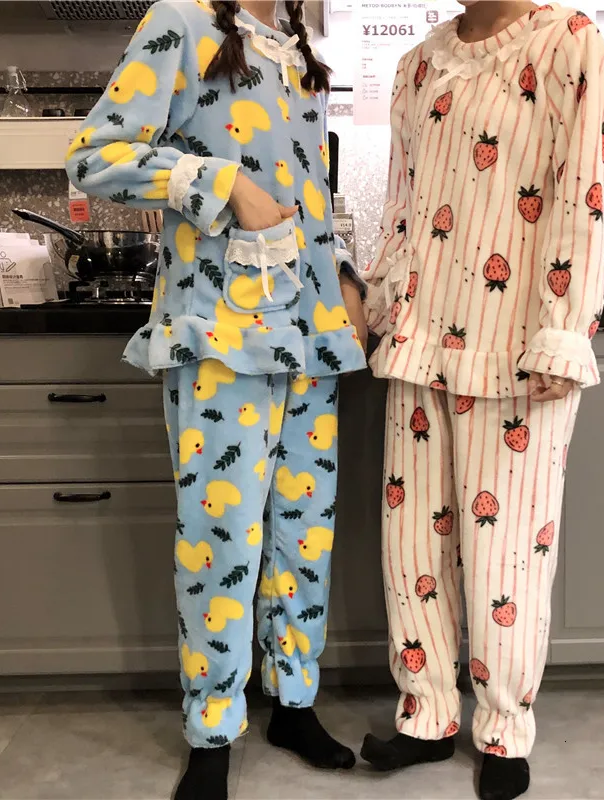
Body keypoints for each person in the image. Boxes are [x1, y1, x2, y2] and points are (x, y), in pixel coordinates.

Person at [66, 2, 368, 798]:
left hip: (309, 331)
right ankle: (211, 731)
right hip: (220, 331)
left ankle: (293, 703)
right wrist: (221, 182)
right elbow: (94, 157)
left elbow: (303, 191)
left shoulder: (295, 48)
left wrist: (343, 277)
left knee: (304, 533)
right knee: (220, 541)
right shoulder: (181, 21)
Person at [358, 2, 604, 799]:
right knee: (412, 549)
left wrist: (563, 329)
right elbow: (401, 205)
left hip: (518, 349)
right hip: (420, 340)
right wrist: (381, 304)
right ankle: (426, 714)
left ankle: (503, 730)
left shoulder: (569, 41)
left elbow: (581, 196)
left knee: (509, 557)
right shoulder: (418, 64)